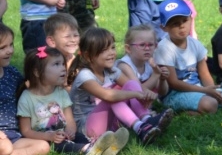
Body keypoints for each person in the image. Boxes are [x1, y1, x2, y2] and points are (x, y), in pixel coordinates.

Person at [68, 28, 174, 146]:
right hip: (88, 129)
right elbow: (108, 96)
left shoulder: (112, 71)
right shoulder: (85, 75)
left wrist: (146, 94)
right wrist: (137, 94)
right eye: (104, 50)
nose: (111, 53)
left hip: (110, 123)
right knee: (112, 96)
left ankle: (146, 120)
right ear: (88, 56)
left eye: (112, 47)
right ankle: (139, 128)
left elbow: (133, 86)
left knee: (131, 84)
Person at [18, 46, 130, 154]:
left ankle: (98, 146)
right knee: (62, 145)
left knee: (80, 136)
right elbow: (26, 131)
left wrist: (70, 130)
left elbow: (70, 120)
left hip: (64, 134)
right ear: (37, 72)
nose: (63, 68)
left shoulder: (61, 93)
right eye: (56, 64)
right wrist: (48, 136)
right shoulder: (26, 98)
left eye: (62, 63)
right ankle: (88, 150)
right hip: (46, 138)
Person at [154, 0, 222, 115]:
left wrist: (213, 91)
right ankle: (178, 111)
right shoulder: (164, 48)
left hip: (198, 89)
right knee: (211, 104)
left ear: (191, 19)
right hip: (175, 94)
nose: (181, 26)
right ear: (164, 28)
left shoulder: (195, 44)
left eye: (184, 20)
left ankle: (200, 109)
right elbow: (173, 83)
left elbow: (204, 74)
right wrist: (204, 91)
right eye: (175, 24)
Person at [0, 23, 51, 155]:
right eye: (2, 47)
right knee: (5, 148)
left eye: (11, 45)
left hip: (13, 135)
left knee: (43, 146)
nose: (10, 50)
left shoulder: (11, 72)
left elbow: (28, 87)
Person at [116, 25, 169, 98]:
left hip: (138, 102)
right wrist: (156, 74)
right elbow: (138, 91)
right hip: (122, 102)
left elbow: (163, 92)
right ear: (128, 48)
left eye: (150, 45)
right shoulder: (124, 65)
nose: (147, 48)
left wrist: (162, 79)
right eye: (142, 45)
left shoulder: (150, 62)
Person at [44, 13, 81, 89]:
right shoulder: (46, 63)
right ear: (52, 41)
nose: (73, 40)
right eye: (67, 36)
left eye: (76, 35)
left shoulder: (79, 62)